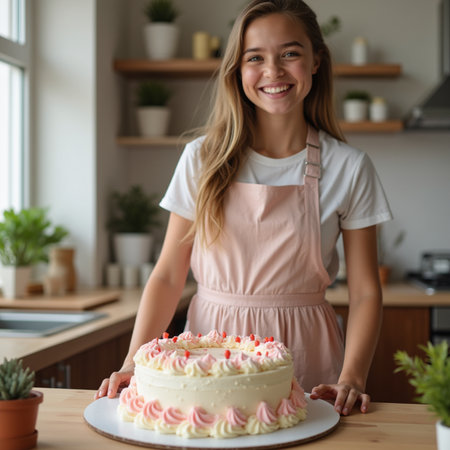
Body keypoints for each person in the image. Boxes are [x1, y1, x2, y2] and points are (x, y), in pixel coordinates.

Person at [96, 0, 392, 416]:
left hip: (306, 351)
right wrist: (133, 361)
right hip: (208, 351)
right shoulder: (202, 158)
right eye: (256, 58)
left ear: (316, 62)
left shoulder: (349, 167)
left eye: (290, 53)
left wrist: (352, 377)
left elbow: (364, 291)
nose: (274, 71)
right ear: (237, 70)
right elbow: (167, 274)